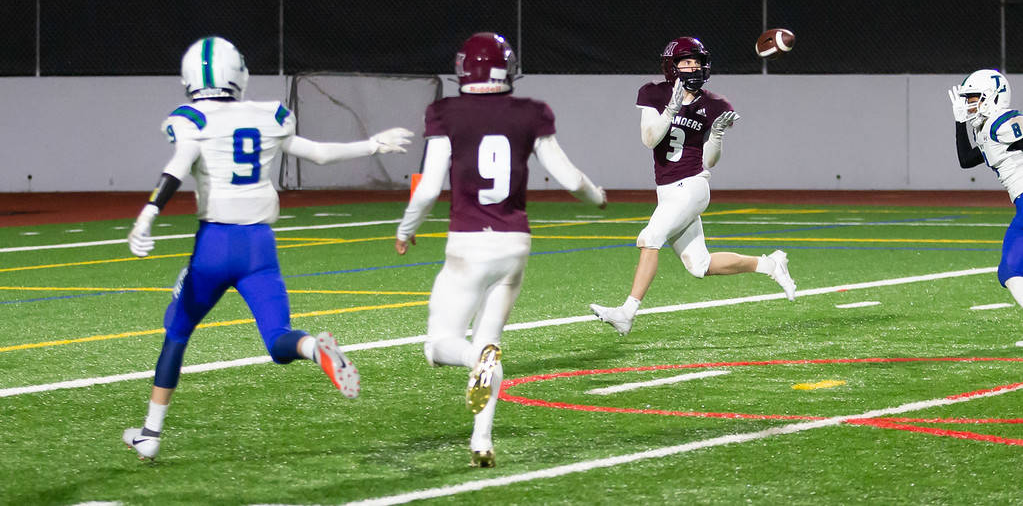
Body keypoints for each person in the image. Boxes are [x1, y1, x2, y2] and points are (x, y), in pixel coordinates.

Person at [122, 36, 413, 460]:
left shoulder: (191, 120)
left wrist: (149, 212)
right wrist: (371, 145)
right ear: (237, 73)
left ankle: (151, 433)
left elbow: (178, 165)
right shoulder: (268, 115)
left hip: (215, 245)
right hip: (260, 247)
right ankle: (315, 348)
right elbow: (317, 154)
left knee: (177, 332)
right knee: (278, 339)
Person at [394, 32, 606, 468]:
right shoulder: (532, 112)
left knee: (438, 347)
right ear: (507, 69)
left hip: (469, 243)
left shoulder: (444, 112)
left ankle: (477, 360)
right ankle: (481, 442)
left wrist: (406, 228)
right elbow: (569, 179)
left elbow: (430, 186)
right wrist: (597, 197)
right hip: (515, 244)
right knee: (489, 340)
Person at [589, 36, 796, 335]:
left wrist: (718, 135)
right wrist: (671, 110)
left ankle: (627, 312)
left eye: (697, 62)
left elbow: (710, 161)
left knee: (650, 238)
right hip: (668, 191)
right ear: (671, 66)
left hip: (693, 186)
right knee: (700, 265)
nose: (692, 67)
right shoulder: (653, 93)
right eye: (686, 62)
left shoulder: (714, 104)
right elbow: (649, 139)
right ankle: (770, 265)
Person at [950, 69, 1023, 307]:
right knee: (1010, 272)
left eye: (973, 99)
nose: (969, 105)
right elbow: (966, 160)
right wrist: (960, 123)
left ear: (994, 96)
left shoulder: (1002, 120)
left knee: (1012, 270)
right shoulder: (986, 130)